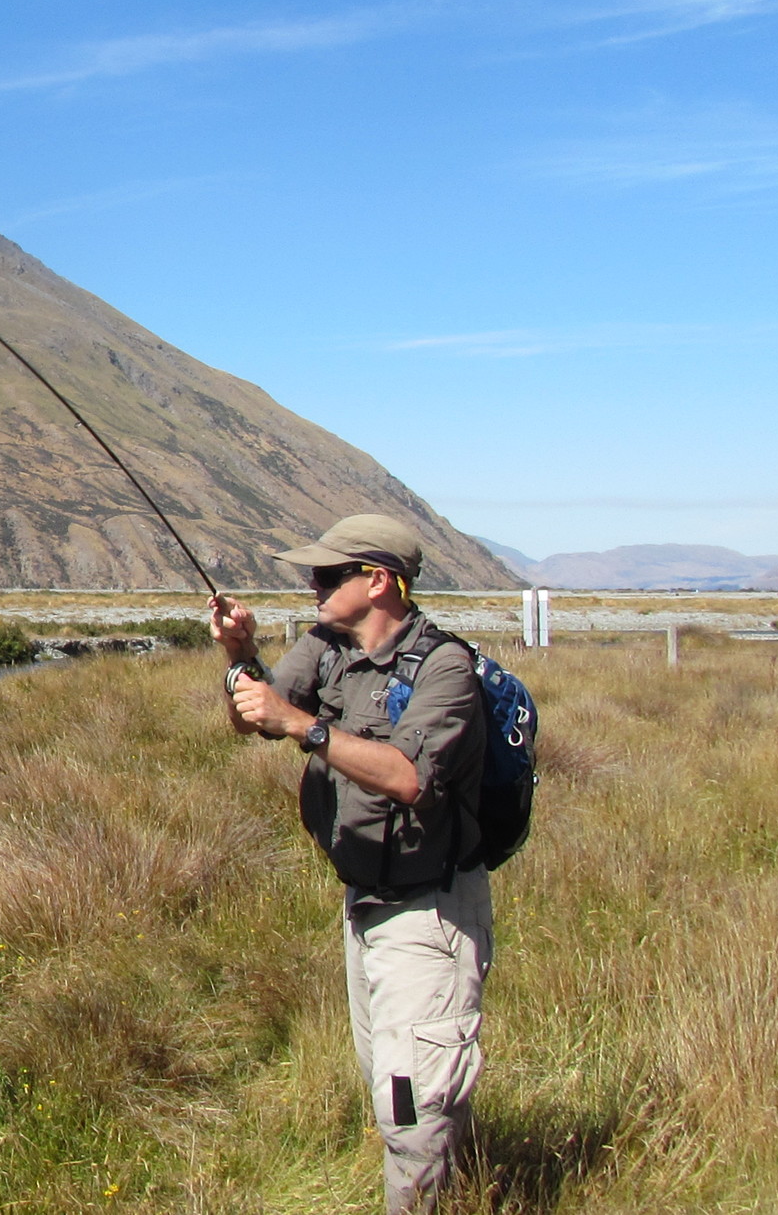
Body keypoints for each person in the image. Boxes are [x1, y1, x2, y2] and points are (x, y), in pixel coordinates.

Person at [207, 513, 491, 1213]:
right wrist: (239, 652)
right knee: (399, 1088)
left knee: (412, 1109)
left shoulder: (446, 667)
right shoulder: (326, 644)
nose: (313, 583)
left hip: (429, 912)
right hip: (363, 903)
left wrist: (301, 724)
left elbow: (408, 777)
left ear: (379, 580)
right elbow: (254, 714)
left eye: (330, 573)